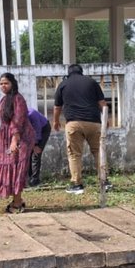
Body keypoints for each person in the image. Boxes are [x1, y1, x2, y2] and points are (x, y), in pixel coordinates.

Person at [52, 64, 108, 195]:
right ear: (81, 72)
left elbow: (57, 107)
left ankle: (77, 184)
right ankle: (104, 181)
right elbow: (102, 104)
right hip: (94, 123)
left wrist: (55, 121)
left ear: (68, 73)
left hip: (74, 124)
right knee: (99, 152)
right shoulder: (92, 82)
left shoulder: (63, 84)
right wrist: (106, 120)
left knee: (75, 154)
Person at [0, 72, 36, 214]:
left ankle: (18, 203)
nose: (3, 86)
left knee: (17, 168)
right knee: (10, 167)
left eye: (6, 83)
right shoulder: (5, 99)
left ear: (13, 83)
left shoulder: (18, 99)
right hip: (5, 137)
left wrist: (14, 141)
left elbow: (18, 121)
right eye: (1, 84)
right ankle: (16, 199)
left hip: (20, 137)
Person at [28, 107, 51, 187]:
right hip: (31, 132)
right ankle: (29, 177)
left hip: (43, 129)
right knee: (28, 154)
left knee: (36, 154)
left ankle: (35, 180)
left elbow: (37, 131)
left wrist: (36, 145)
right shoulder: (17, 116)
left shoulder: (32, 114)